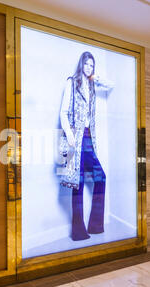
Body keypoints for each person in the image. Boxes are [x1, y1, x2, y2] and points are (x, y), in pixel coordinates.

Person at [59, 51, 114, 241]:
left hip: (89, 140)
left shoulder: (92, 85)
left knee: (101, 178)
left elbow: (110, 85)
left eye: (92, 65)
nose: (89, 68)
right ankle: (78, 231)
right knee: (78, 184)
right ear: (81, 64)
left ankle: (95, 226)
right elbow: (63, 113)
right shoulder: (71, 82)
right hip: (76, 139)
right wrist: (70, 134)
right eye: (86, 64)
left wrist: (96, 78)